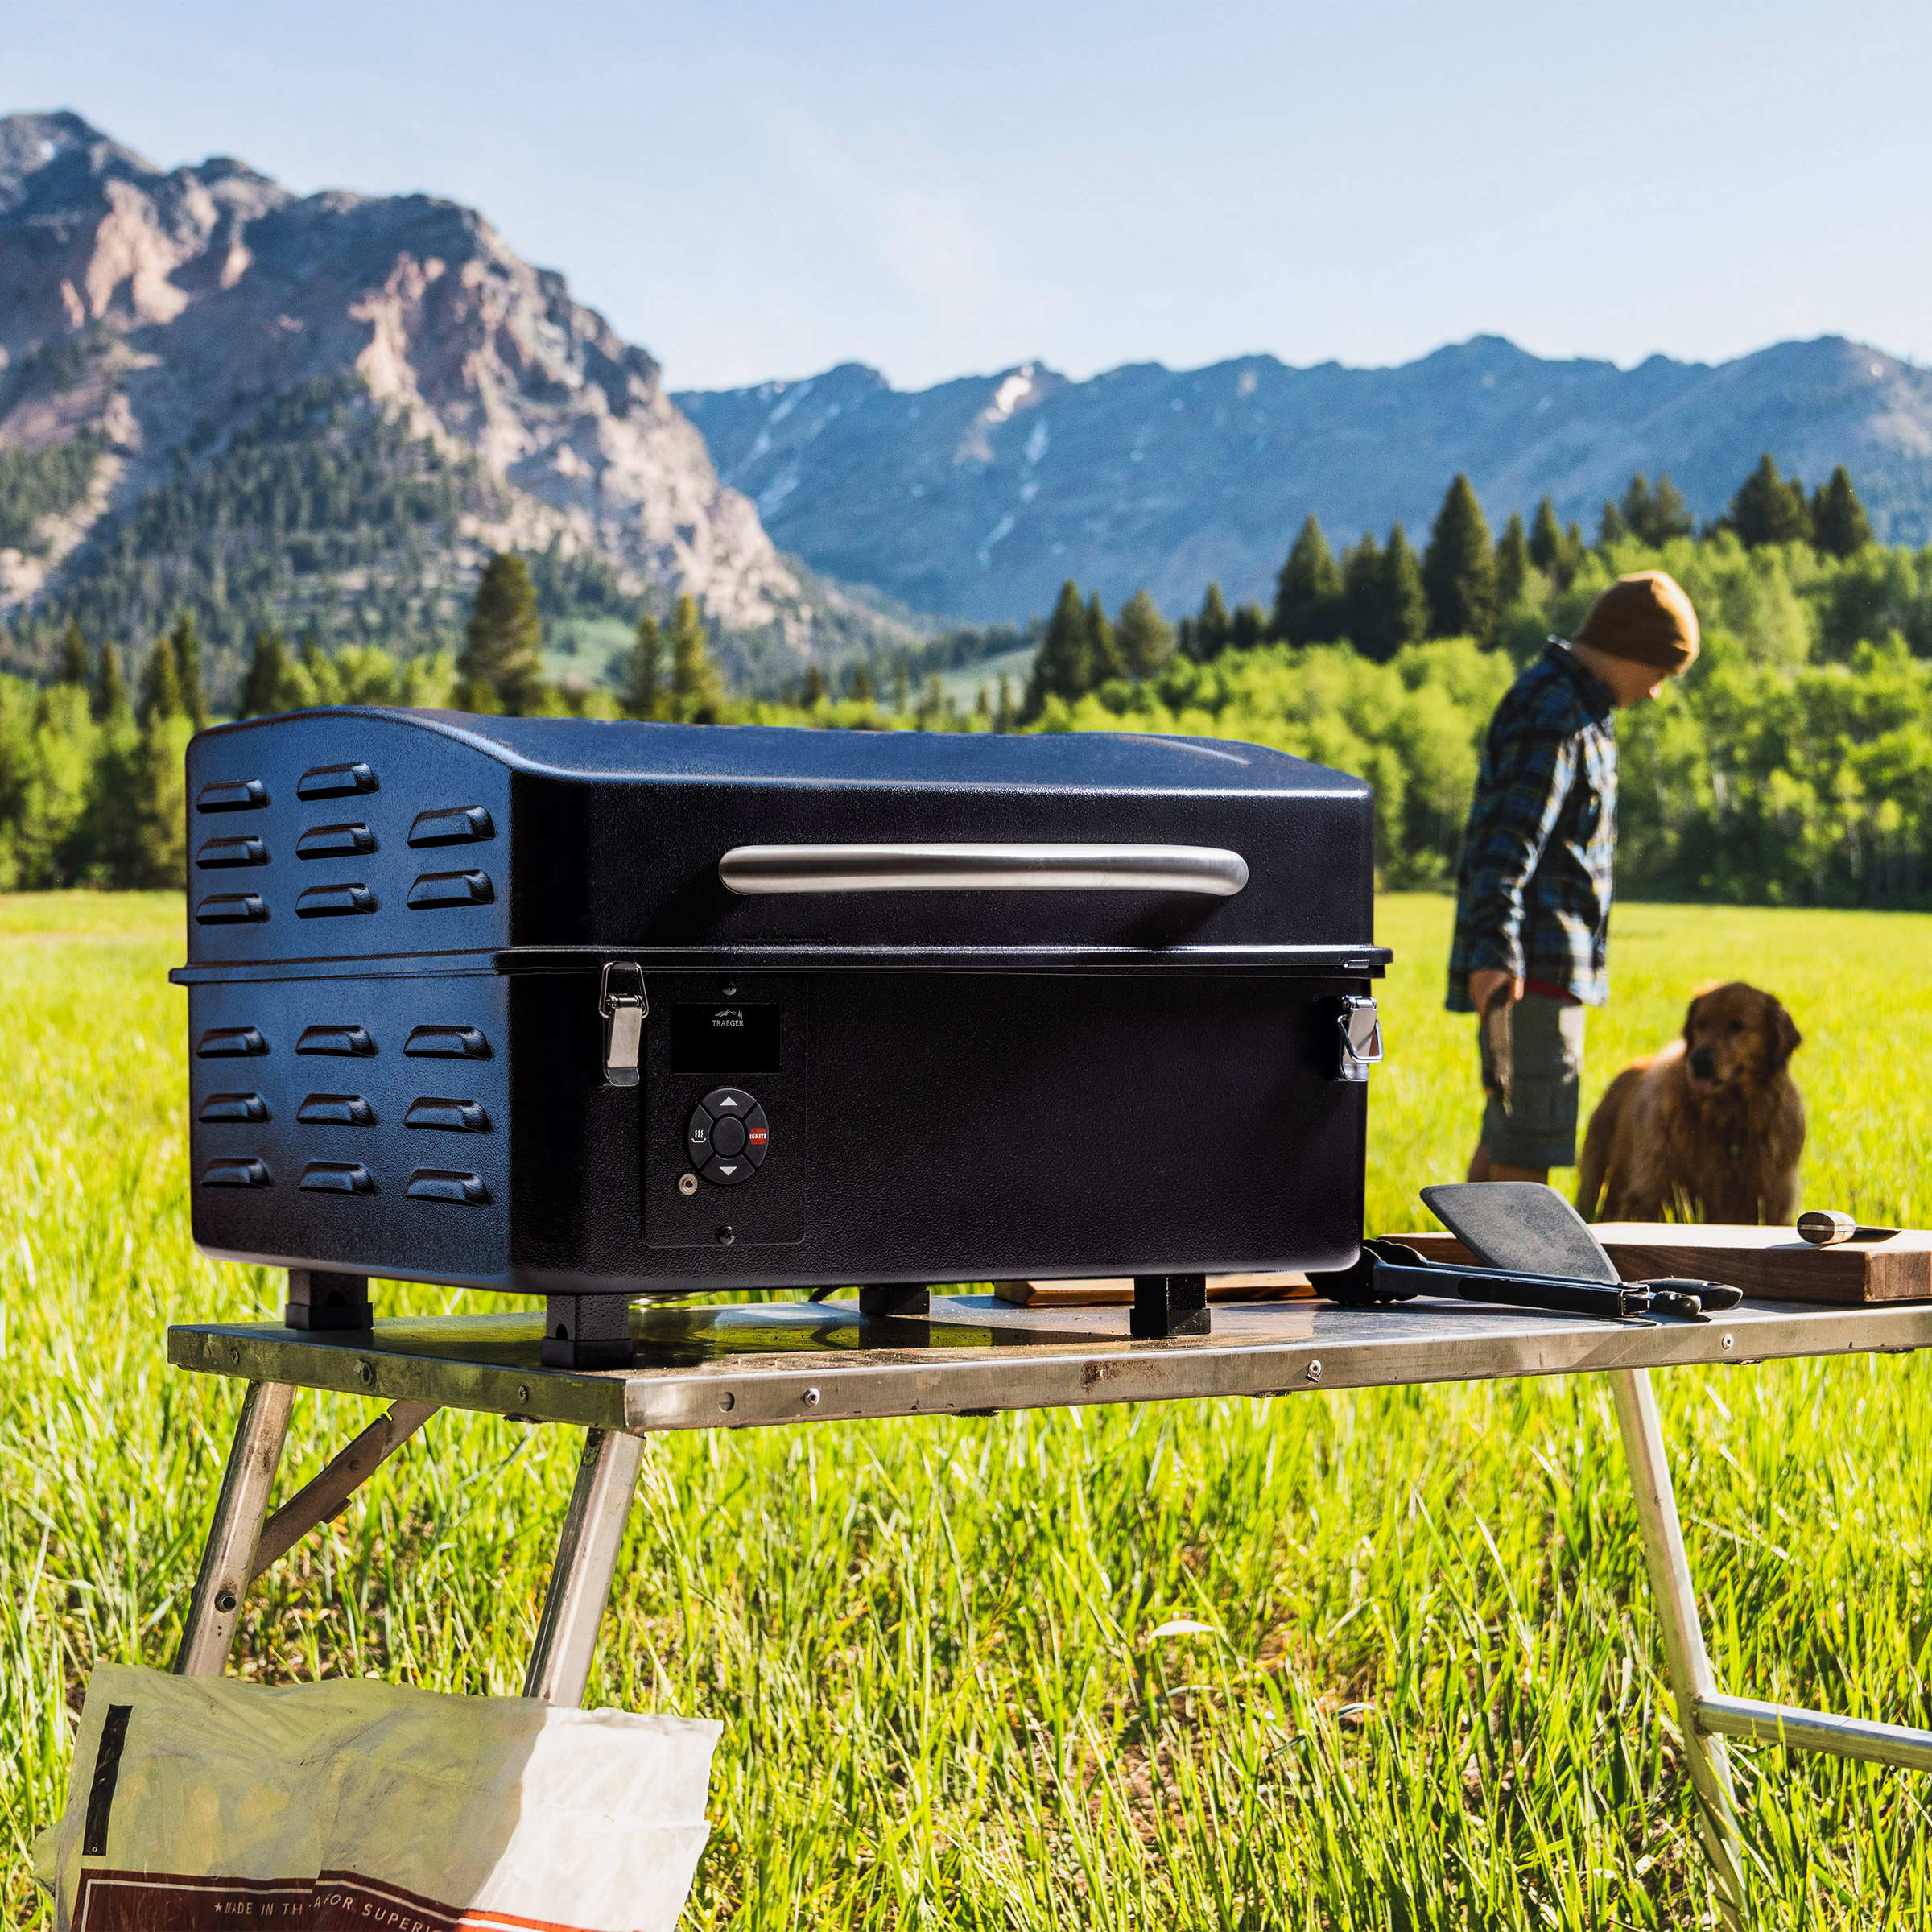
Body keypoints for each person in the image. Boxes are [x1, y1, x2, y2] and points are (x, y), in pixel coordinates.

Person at [1447, 570, 1700, 1184]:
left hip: (1539, 967)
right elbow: (1509, 845)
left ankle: (1463, 1277)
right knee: (1528, 1150)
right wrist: (1498, 951)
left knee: (1513, 1134)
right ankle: (1510, 1282)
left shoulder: (1575, 706)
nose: (1656, 692)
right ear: (1632, 648)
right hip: (1531, 971)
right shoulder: (1557, 711)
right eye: (1661, 673)